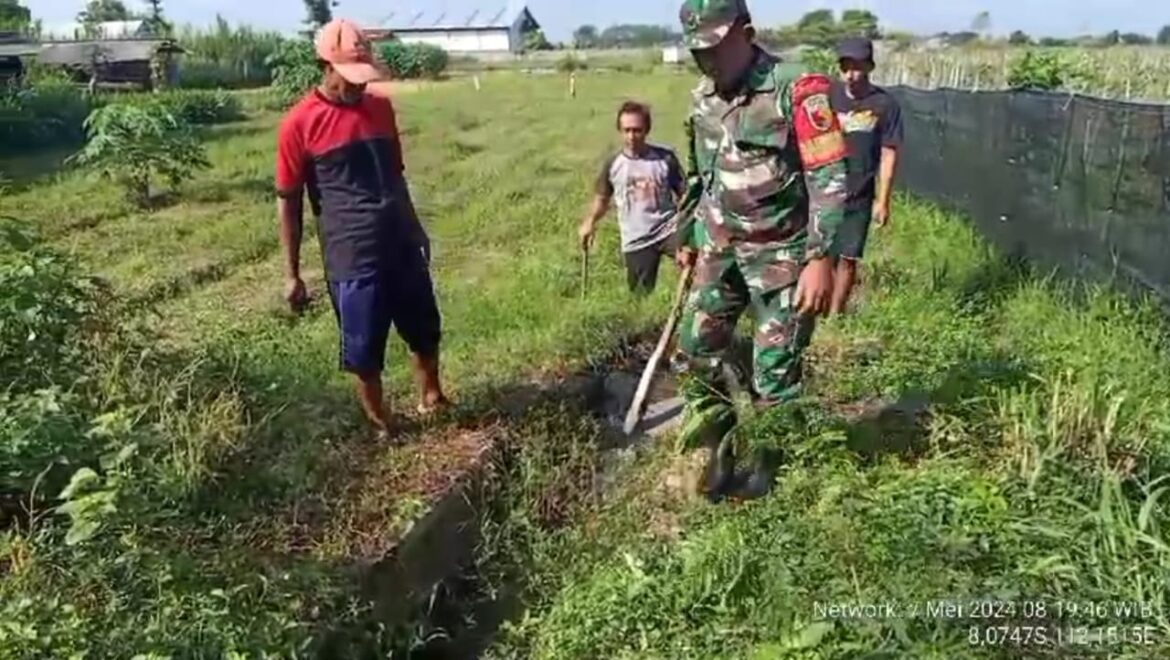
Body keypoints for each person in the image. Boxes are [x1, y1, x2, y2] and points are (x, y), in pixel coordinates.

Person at [673, 0, 848, 502]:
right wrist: (688, 237)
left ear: (746, 34)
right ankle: (714, 451)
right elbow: (699, 175)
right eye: (697, 50)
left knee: (775, 376)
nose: (705, 60)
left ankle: (771, 476)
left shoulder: (798, 88)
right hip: (719, 251)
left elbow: (831, 179)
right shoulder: (702, 96)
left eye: (713, 47)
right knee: (696, 352)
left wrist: (820, 259)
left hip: (783, 258)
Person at [274, 18, 450, 441]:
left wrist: (416, 228)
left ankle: (433, 398)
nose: (358, 86)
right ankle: (382, 423)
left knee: (424, 327)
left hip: (400, 243)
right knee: (364, 346)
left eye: (362, 77)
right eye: (349, 78)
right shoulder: (299, 124)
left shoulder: (380, 108)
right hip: (351, 252)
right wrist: (292, 272)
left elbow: (396, 175)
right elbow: (288, 201)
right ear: (326, 66)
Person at [578, 101, 687, 295]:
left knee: (699, 270)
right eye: (627, 130)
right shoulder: (614, 164)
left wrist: (688, 238)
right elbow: (602, 198)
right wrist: (590, 222)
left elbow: (685, 197)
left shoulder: (665, 159)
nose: (632, 136)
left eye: (637, 130)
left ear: (647, 130)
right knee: (640, 295)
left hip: (669, 229)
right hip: (637, 237)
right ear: (619, 130)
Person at [828, 36, 903, 315]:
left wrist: (882, 201)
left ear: (870, 67)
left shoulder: (885, 104)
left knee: (848, 256)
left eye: (857, 66)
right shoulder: (828, 97)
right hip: (823, 189)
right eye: (845, 66)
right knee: (821, 254)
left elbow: (889, 153)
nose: (851, 74)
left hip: (859, 191)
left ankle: (836, 315)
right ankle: (813, 311)